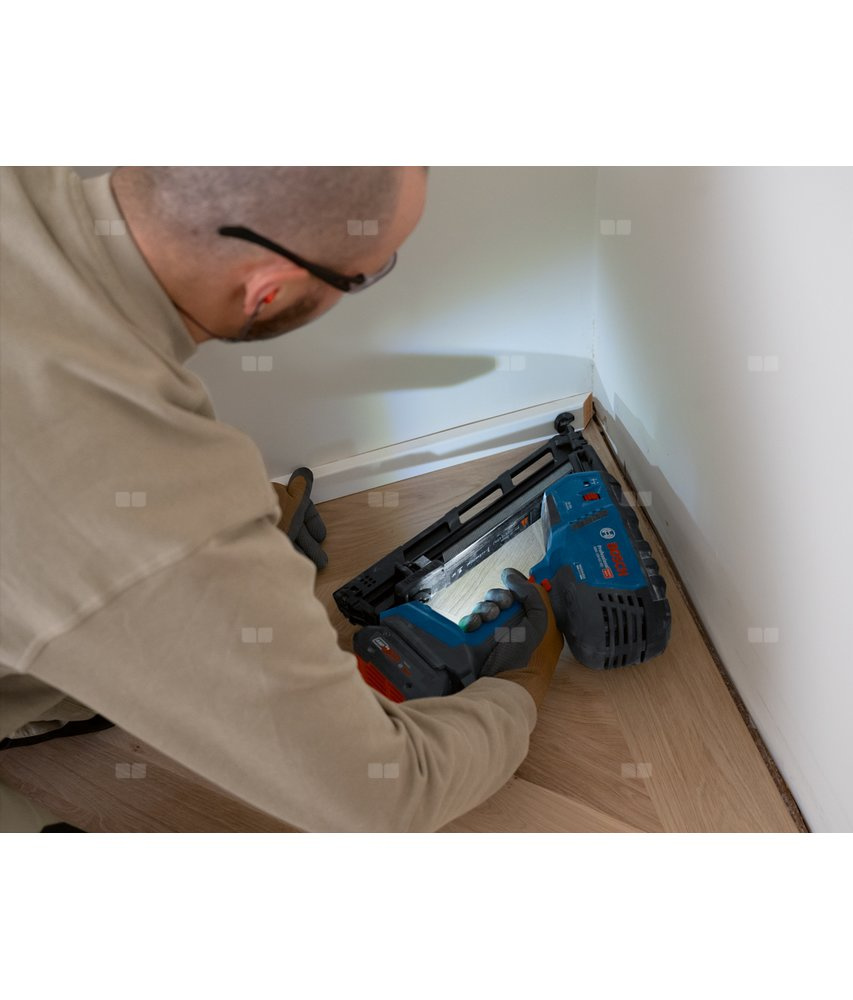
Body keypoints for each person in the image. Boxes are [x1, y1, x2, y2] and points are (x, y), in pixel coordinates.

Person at [0, 166, 564, 832]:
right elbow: (386, 796)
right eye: (366, 274)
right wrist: (518, 686)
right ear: (268, 291)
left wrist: (214, 548)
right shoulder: (140, 489)